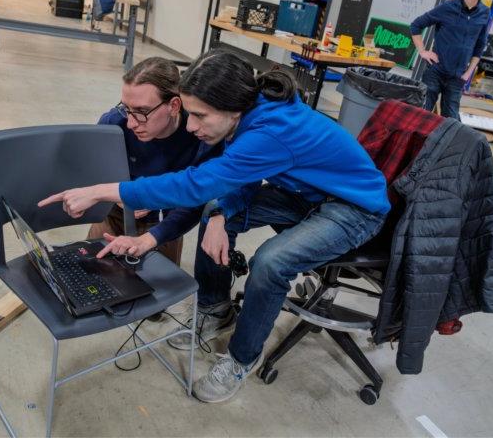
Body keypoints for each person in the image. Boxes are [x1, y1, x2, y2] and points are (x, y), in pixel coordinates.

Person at [39, 51, 390, 403]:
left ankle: (242, 358)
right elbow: (244, 177)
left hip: (352, 208)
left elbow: (195, 184)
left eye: (199, 115)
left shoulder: (272, 130)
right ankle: (215, 306)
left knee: (270, 262)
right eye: (189, 113)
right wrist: (221, 213)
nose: (191, 126)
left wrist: (102, 191)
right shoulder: (247, 115)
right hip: (304, 195)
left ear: (231, 109)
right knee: (212, 213)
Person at [88, 56, 220, 266]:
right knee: (93, 277)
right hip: (114, 215)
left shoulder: (200, 136)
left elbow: (196, 200)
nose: (131, 122)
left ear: (174, 105)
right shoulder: (114, 124)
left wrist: (155, 199)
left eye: (141, 112)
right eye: (126, 108)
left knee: (156, 291)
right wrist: (119, 195)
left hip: (165, 223)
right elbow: (91, 166)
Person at [410, 0, 493, 119]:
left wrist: (468, 73)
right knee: (422, 116)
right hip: (435, 71)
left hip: (458, 77)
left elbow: (479, 46)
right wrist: (423, 51)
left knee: (451, 121)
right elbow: (416, 25)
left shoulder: (485, 13)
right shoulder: (447, 7)